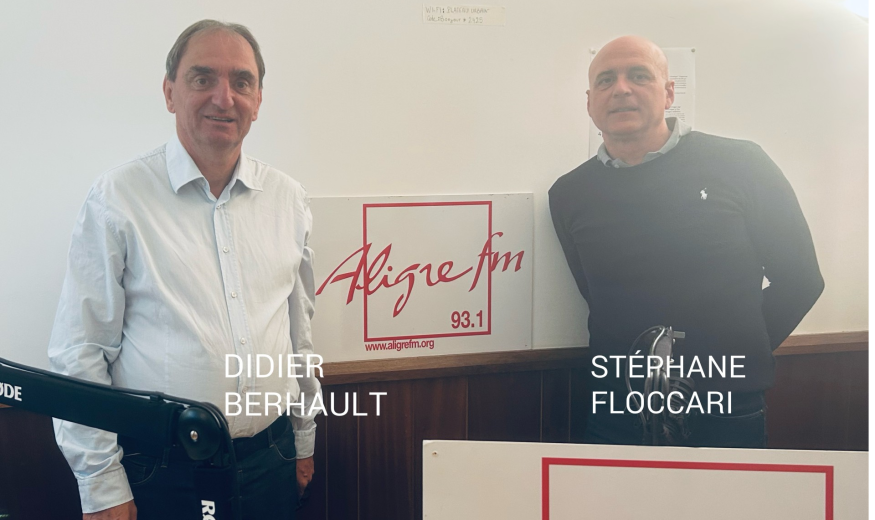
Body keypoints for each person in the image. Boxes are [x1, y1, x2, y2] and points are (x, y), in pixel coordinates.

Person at [48, 20, 320, 519]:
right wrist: (101, 485)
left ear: (258, 100)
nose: (224, 97)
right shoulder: (118, 198)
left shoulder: (289, 200)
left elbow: (298, 335)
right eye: (202, 78)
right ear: (170, 92)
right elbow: (79, 353)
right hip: (160, 469)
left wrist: (303, 439)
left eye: (242, 81)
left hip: (271, 460)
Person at [548, 35, 823, 448]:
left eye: (639, 75)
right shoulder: (568, 194)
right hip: (616, 409)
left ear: (668, 93)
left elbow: (802, 280)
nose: (621, 88)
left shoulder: (742, 164)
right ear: (590, 103)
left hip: (726, 407)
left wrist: (731, 351)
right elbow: (597, 296)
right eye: (605, 80)